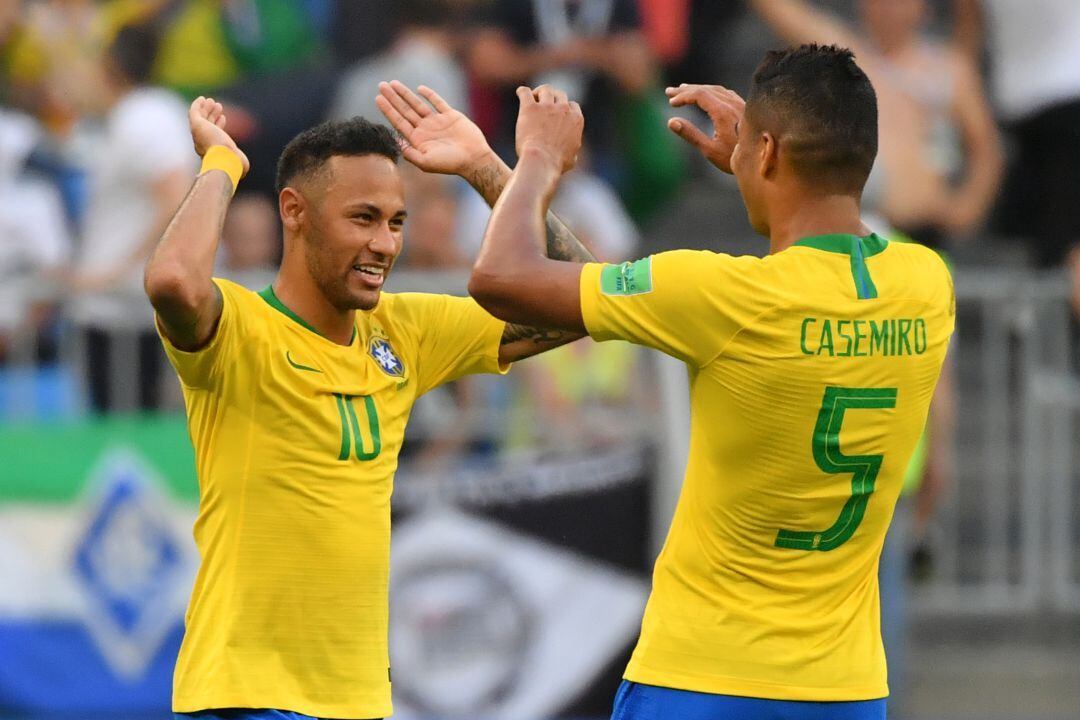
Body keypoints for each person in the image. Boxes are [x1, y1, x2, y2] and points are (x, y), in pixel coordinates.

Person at [463, 44, 954, 719]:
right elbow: (836, 243)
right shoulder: (925, 285)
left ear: (772, 154)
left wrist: (540, 160)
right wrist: (766, 167)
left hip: (702, 680)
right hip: (843, 690)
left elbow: (500, 277)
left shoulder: (720, 295)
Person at [145, 80, 595, 718]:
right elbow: (171, 280)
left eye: (396, 222)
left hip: (358, 699)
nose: (385, 243)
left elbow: (580, 301)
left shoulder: (403, 330)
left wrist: (485, 168)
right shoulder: (240, 329)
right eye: (363, 218)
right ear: (294, 211)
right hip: (249, 693)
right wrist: (222, 162)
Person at [749, 0, 1003, 249]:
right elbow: (782, 11)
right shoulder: (843, 59)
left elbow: (986, 150)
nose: (888, 8)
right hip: (867, 231)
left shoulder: (949, 69)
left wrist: (967, 207)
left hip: (930, 230)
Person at [69, 23, 193, 412]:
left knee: (130, 442)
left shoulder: (146, 116)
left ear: (110, 65)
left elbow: (177, 194)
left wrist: (119, 269)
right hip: (119, 311)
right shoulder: (138, 115)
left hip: (129, 314)